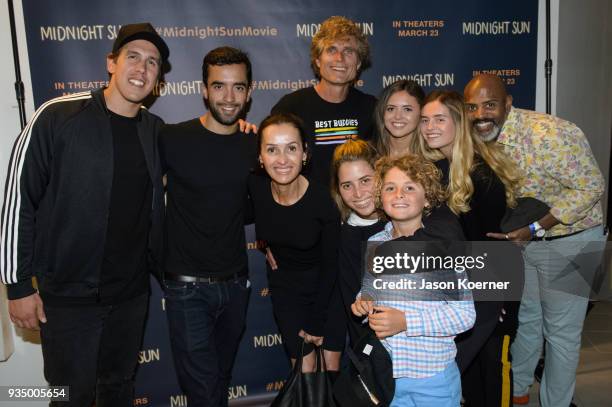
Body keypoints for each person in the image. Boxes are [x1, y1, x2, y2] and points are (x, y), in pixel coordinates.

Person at [0, 22, 167, 406]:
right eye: (133, 57)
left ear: (158, 78)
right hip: (68, 298)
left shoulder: (156, 131)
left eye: (153, 63)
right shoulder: (58, 116)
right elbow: (18, 200)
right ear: (111, 62)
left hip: (130, 296)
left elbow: (200, 155)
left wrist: (240, 131)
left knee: (118, 389)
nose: (142, 69)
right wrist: (19, 285)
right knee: (68, 396)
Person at [464, 74, 607, 407]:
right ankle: (517, 394)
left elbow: (592, 187)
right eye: (472, 107)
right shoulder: (477, 136)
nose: (481, 114)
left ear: (508, 103)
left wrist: (536, 228)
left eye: (490, 104)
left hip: (575, 237)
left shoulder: (552, 134)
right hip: (524, 241)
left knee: (561, 334)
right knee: (527, 320)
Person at [159, 47, 254, 407]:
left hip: (236, 285)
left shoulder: (254, 143)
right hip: (186, 289)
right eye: (219, 87)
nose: (229, 98)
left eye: (238, 88)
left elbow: (257, 208)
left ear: (249, 92)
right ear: (203, 90)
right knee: (203, 392)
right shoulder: (171, 138)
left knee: (220, 381)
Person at [417, 89, 522, 406]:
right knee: (469, 375)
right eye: (424, 120)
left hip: (493, 289)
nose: (429, 127)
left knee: (492, 370)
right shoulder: (440, 169)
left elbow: (493, 245)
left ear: (459, 123)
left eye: (439, 119)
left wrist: (500, 300)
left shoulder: (481, 174)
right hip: (464, 289)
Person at [352, 154, 475, 407]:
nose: (399, 194)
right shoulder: (376, 244)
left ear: (427, 197)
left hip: (433, 380)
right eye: (390, 187)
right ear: (380, 197)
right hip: (386, 375)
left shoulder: (441, 249)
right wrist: (363, 301)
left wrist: (406, 322)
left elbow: (464, 315)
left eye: (409, 187)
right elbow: (369, 289)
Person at [248, 113, 343, 374]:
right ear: (260, 156)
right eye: (271, 150)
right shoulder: (256, 186)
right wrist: (265, 244)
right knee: (303, 369)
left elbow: (332, 264)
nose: (281, 160)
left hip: (327, 288)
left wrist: (316, 321)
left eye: (291, 148)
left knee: (330, 368)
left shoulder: (324, 201)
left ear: (304, 153)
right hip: (286, 288)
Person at [271, 16, 376, 187]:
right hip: (306, 210)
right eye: (331, 50)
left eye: (349, 51)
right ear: (318, 60)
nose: (340, 58)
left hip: (356, 207)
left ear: (358, 63)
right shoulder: (291, 107)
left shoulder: (371, 108)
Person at [374, 79, 425, 158]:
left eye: (407, 109)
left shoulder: (434, 161)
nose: (398, 116)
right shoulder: (368, 157)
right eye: (391, 109)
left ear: (421, 112)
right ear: (382, 112)